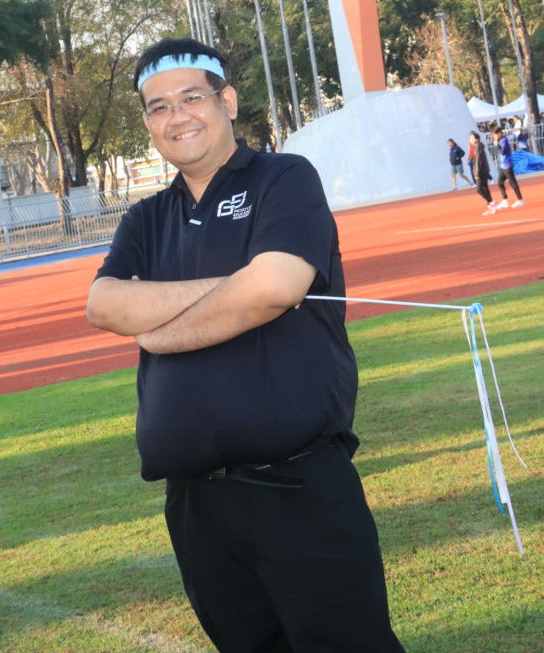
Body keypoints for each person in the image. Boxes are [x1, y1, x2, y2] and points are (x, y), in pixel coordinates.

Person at [87, 38, 405, 653]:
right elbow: (104, 305)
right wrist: (238, 285)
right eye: (158, 107)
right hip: (198, 506)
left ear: (227, 101)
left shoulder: (284, 178)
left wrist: (159, 328)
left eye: (191, 98)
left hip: (298, 490)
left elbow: (275, 287)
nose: (176, 116)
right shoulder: (145, 218)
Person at [491, 126, 524, 208]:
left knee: (512, 183)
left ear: (499, 133)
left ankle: (520, 200)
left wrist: (497, 145)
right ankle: (505, 200)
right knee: (500, 183)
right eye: (493, 135)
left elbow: (502, 152)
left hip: (507, 165)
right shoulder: (499, 140)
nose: (494, 136)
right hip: (503, 166)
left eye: (495, 134)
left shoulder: (504, 140)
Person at [469, 131, 495, 215]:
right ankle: (491, 207)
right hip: (483, 171)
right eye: (470, 138)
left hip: (481, 172)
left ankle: (492, 202)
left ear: (477, 139)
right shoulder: (477, 147)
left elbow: (478, 162)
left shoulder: (478, 147)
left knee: (479, 189)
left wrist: (476, 174)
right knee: (485, 189)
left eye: (473, 138)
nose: (471, 140)